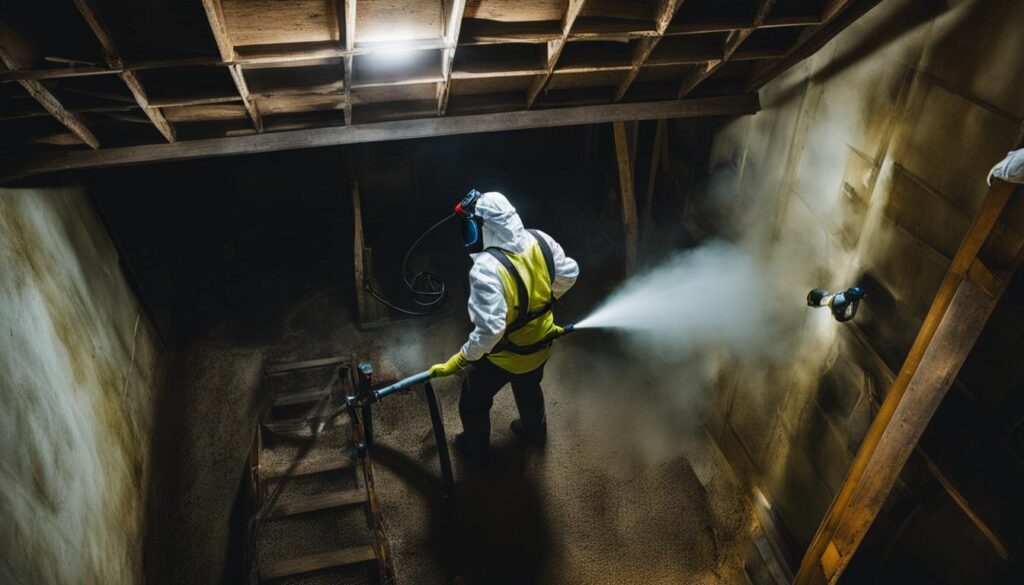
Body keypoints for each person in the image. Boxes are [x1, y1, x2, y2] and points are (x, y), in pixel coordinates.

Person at [428, 191, 579, 462]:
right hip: (542, 345)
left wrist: (462, 358)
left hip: (505, 356)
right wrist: (540, 306)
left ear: (483, 227)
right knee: (530, 386)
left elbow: (491, 331)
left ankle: (476, 448)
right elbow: (569, 273)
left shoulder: (487, 269)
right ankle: (535, 432)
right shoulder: (540, 240)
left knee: (474, 400)